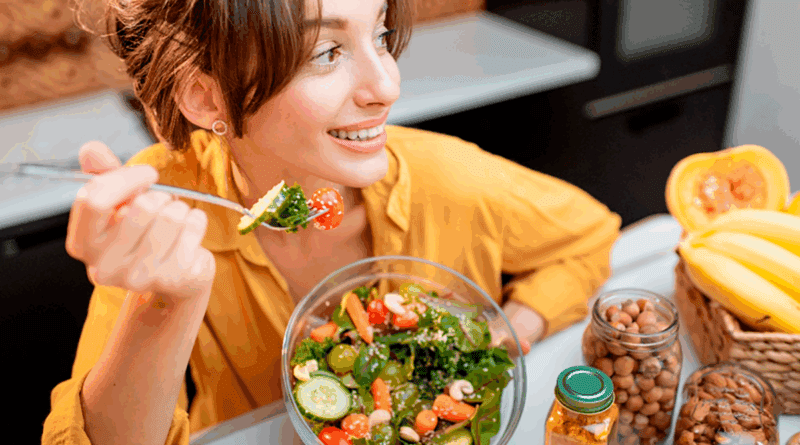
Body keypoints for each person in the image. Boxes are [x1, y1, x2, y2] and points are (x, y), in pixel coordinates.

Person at [42, 0, 621, 443]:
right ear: (206, 98)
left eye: (382, 36)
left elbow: (591, 236)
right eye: (327, 53)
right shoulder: (169, 208)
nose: (387, 86)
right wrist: (164, 302)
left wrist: (507, 330)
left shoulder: (451, 180)